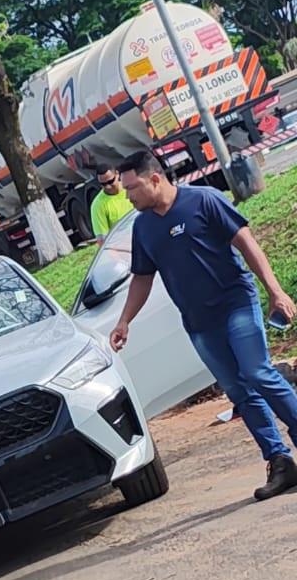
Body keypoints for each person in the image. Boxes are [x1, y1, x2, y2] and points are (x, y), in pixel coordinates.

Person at [109, 149, 297, 501]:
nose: (127, 195)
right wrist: (124, 321)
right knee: (238, 391)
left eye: (132, 188)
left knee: (257, 372)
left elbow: (246, 242)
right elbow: (142, 278)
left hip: (236, 304)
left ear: (154, 178)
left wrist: (275, 291)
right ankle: (279, 461)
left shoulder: (203, 201)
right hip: (199, 324)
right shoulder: (144, 226)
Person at [90, 166, 133, 244]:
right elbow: (102, 240)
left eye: (110, 181)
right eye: (103, 184)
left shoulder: (131, 188)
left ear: (117, 174)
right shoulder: (98, 205)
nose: (108, 187)